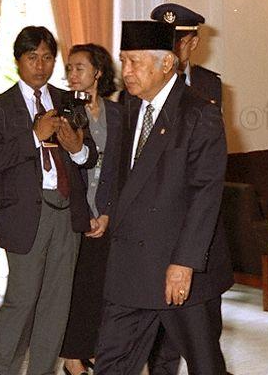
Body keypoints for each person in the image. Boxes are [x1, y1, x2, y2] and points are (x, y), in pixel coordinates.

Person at [94, 20, 233, 375]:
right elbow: (122, 173)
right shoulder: (127, 105)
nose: (126, 71)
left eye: (134, 62)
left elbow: (206, 194)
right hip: (131, 266)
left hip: (179, 269)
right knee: (112, 362)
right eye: (123, 61)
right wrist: (109, 211)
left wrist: (184, 263)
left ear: (166, 64)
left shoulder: (198, 112)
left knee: (204, 365)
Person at [0, 26, 97, 375]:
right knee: (22, 301)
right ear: (18, 61)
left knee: (57, 305)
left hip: (66, 212)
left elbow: (88, 158)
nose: (40, 65)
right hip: (26, 215)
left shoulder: (67, 100)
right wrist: (33, 136)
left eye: (47, 57)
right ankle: (2, 371)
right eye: (32, 57)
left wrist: (77, 148)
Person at [60, 43, 122, 375]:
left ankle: (95, 348)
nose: (72, 74)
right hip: (75, 215)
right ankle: (72, 357)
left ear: (97, 72)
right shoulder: (64, 110)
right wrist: (85, 215)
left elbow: (117, 170)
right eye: (69, 68)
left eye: (80, 67)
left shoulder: (118, 113)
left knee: (102, 287)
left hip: (106, 213)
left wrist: (107, 212)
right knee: (76, 289)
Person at [150, 3, 222, 106]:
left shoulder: (209, 84)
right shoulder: (145, 80)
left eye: (179, 42)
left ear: (193, 43)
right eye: (165, 40)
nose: (171, 47)